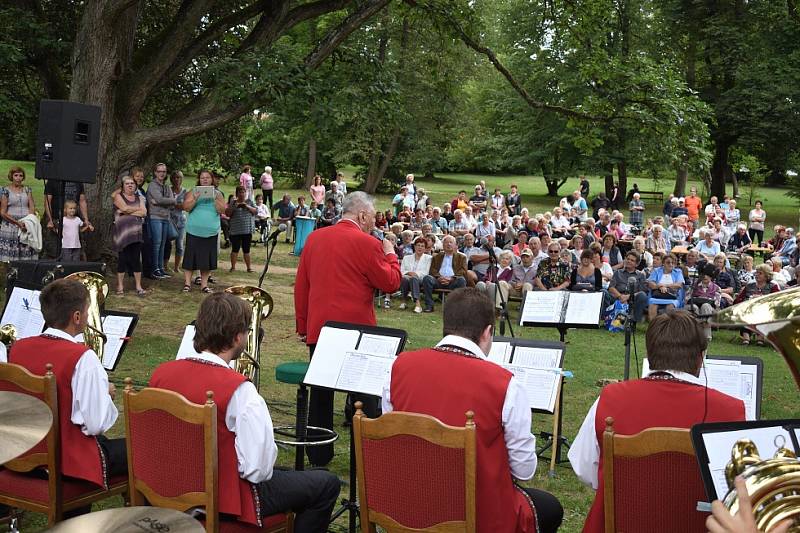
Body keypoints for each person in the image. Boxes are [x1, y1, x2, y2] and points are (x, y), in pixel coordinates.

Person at [150, 293, 339, 531]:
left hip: (166, 487)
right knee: (326, 483)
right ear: (238, 337)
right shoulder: (240, 391)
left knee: (299, 476)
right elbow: (256, 469)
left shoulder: (161, 374)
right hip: (223, 500)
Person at [382, 288, 564, 532]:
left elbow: (390, 436)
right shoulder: (505, 384)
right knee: (549, 507)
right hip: (477, 515)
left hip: (408, 504)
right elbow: (524, 469)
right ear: (488, 332)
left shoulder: (398, 367)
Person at [569, 310, 745, 532]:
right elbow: (740, 493)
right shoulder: (731, 410)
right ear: (701, 357)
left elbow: (584, 469)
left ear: (650, 353)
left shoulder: (610, 398)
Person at [294, 191, 401, 466]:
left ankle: (318, 453)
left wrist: (304, 325)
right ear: (362, 215)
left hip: (322, 328)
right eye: (373, 217)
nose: (374, 224)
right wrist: (391, 256)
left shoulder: (315, 238)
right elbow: (390, 282)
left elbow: (302, 286)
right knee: (364, 393)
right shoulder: (367, 243)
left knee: (321, 393)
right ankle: (367, 455)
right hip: (358, 331)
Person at [8, 279, 127, 493]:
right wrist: (105, 395)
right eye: (89, 310)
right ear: (78, 317)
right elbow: (95, 425)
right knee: (143, 450)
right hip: (65, 462)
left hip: (21, 452)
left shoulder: (18, 348)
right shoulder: (82, 358)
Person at [182, 169, 226, 293]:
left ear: (212, 179)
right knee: (190, 258)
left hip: (210, 232)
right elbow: (186, 207)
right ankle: (187, 284)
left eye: (207, 177)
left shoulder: (218, 194)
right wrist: (195, 199)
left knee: (206, 259)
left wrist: (215, 199)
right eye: (202, 178)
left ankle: (204, 285)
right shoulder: (193, 191)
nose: (205, 179)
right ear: (199, 180)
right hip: (194, 230)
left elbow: (222, 211)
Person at [112, 173, 147, 296]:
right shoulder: (118, 196)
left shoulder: (140, 198)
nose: (130, 185)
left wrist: (127, 211)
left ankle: (138, 285)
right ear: (123, 186)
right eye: (127, 183)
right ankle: (120, 285)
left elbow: (144, 213)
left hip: (136, 233)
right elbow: (124, 208)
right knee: (122, 259)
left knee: (136, 259)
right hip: (123, 233)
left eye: (132, 183)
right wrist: (133, 210)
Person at [43, 177, 93, 260]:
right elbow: (47, 201)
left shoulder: (78, 182)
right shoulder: (53, 181)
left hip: (73, 220)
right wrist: (50, 220)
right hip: (57, 219)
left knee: (77, 249)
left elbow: (82, 201)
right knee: (53, 249)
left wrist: (86, 219)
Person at [0, 166, 37, 262]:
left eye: (20, 175)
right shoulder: (5, 190)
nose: (18, 178)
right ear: (11, 176)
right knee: (11, 257)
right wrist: (17, 223)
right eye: (16, 175)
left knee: (26, 253)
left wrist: (28, 221)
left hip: (26, 225)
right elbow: (2, 212)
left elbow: (32, 206)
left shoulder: (27, 189)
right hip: (11, 226)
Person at [422, 235, 468, 312]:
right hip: (438, 280)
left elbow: (463, 271)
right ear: (443, 245)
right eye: (446, 242)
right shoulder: (437, 256)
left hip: (453, 281)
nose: (448, 244)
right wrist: (439, 277)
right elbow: (432, 270)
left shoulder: (461, 257)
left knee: (461, 280)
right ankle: (429, 305)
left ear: (455, 245)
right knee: (427, 278)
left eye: (451, 242)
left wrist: (451, 278)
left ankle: (458, 306)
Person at [146, 162, 176, 279]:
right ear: (155, 172)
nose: (162, 174)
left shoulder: (166, 186)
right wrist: (167, 200)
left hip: (166, 218)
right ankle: (155, 269)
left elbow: (171, 202)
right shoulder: (152, 185)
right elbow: (160, 199)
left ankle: (161, 268)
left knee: (163, 244)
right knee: (156, 244)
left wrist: (162, 201)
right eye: (159, 171)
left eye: (164, 171)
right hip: (155, 217)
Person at [605, 251, 649, 323]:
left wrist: (628, 297)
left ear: (637, 264)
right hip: (617, 297)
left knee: (642, 296)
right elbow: (611, 287)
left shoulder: (641, 275)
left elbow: (643, 291)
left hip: (632, 299)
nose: (629, 261)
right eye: (627, 259)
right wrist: (620, 296)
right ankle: (605, 318)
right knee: (604, 293)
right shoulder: (617, 272)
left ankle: (634, 321)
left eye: (632, 260)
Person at [226, 186, 257, 272]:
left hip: (247, 230)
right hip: (235, 230)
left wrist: (246, 206)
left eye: (243, 192)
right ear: (237, 194)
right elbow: (227, 213)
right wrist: (235, 207)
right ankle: (233, 267)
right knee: (235, 249)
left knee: (246, 250)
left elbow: (256, 212)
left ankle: (249, 267)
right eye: (240, 192)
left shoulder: (249, 201)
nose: (242, 194)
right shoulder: (233, 202)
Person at [647, 253, 685, 320]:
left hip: (673, 297)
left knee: (670, 307)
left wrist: (664, 285)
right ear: (663, 263)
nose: (671, 264)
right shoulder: (656, 271)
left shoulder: (678, 272)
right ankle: (653, 328)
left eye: (673, 262)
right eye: (668, 262)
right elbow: (650, 283)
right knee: (653, 305)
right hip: (657, 296)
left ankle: (667, 328)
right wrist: (659, 287)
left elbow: (679, 285)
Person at [399, 237, 431, 313]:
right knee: (404, 278)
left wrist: (415, 274)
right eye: (418, 245)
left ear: (425, 248)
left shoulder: (429, 258)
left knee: (413, 278)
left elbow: (426, 272)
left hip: (421, 279)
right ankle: (404, 301)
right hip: (407, 277)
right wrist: (409, 273)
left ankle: (418, 304)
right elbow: (402, 271)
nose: (420, 247)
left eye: (422, 246)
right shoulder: (406, 258)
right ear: (414, 246)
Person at [165, 170, 188, 272]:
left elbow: (185, 206)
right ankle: (164, 265)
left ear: (182, 179)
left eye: (179, 177)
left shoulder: (185, 192)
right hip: (169, 220)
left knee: (179, 245)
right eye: (174, 177)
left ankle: (176, 267)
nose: (176, 179)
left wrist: (173, 203)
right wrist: (177, 204)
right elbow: (164, 204)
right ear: (171, 179)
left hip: (181, 221)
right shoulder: (168, 190)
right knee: (167, 243)